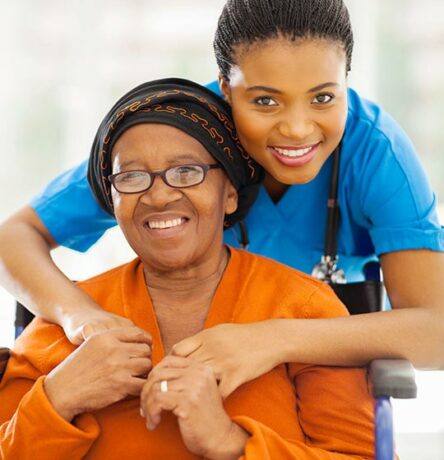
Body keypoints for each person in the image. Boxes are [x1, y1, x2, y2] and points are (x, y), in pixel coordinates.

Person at [0, 0, 443, 398]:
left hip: (303, 384)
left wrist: (271, 339)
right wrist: (80, 316)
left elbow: (436, 331)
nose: (297, 128)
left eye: (323, 97)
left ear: (347, 81)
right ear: (225, 89)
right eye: (265, 101)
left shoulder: (375, 152)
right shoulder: (180, 132)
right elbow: (14, 237)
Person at [0, 79, 374, 459]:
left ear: (229, 193)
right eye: (130, 177)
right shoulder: (62, 329)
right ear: (113, 202)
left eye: (186, 172)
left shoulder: (306, 310)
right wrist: (57, 399)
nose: (159, 195)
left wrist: (228, 441)